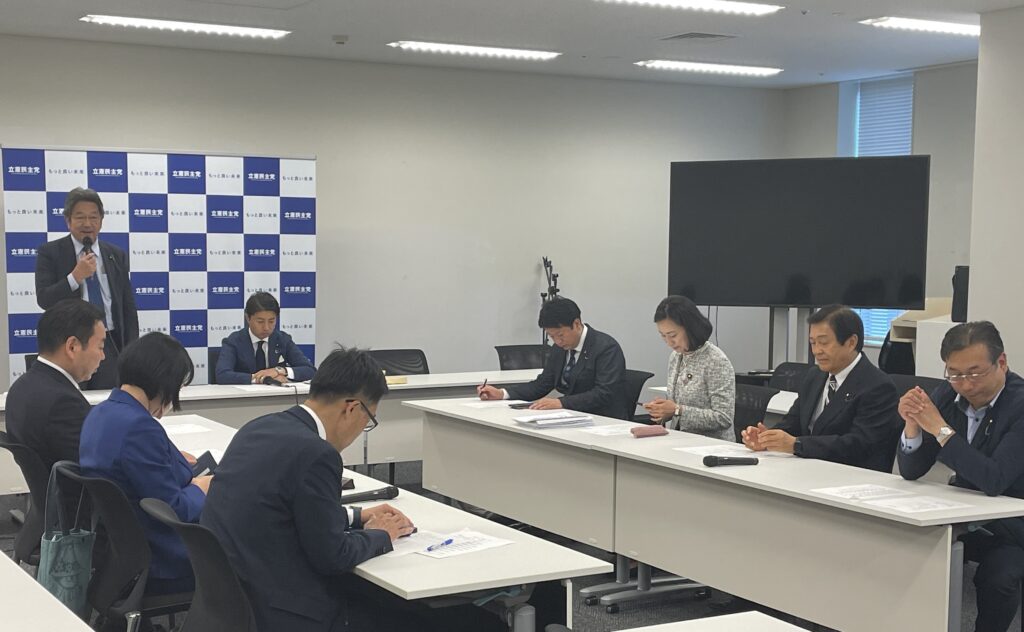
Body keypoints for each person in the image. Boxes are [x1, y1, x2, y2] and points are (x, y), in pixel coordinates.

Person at [202, 347, 437, 631]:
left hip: (235, 604)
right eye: (369, 420)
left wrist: (356, 516)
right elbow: (333, 556)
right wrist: (382, 533)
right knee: (435, 617)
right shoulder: (318, 454)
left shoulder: (258, 427)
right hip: (290, 613)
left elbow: (283, 511)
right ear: (352, 408)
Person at [898, 321, 1024, 632]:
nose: (965, 384)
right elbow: (912, 470)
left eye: (974, 373)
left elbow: (994, 479)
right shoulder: (947, 393)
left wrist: (940, 430)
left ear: (1001, 363)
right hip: (967, 515)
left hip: (1015, 523)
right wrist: (913, 425)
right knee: (904, 547)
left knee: (998, 577)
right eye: (954, 374)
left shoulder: (1019, 405)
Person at [79, 333, 209, 595]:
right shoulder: (140, 427)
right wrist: (201, 488)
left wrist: (171, 458)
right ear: (164, 382)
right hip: (164, 556)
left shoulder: (100, 412)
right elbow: (173, 510)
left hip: (120, 552)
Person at [741, 304, 900, 471]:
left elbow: (858, 444)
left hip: (851, 476)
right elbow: (793, 423)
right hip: (808, 469)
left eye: (824, 343)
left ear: (851, 342)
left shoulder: (878, 386)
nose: (817, 351)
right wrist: (767, 438)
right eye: (813, 343)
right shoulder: (814, 376)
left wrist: (797, 444)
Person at [35, 187, 138, 390]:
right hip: (69, 347)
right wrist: (75, 277)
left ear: (101, 221)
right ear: (68, 221)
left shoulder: (115, 255)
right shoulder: (50, 253)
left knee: (107, 400)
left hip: (108, 344)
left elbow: (127, 306)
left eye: (93, 217)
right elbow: (44, 299)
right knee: (70, 402)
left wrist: (131, 349)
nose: (88, 224)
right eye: (80, 217)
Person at [478, 297, 627, 419]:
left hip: (603, 419)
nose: (557, 341)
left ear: (576, 324)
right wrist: (502, 393)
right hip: (573, 416)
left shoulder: (606, 348)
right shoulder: (559, 349)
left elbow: (604, 393)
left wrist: (561, 403)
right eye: (551, 336)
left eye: (560, 335)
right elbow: (543, 384)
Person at [6, 300, 105, 472]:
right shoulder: (64, 404)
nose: (103, 356)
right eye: (101, 347)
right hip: (73, 489)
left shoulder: (20, 387)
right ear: (72, 347)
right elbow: (98, 469)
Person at [643, 296, 735, 441]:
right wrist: (663, 410)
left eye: (673, 335)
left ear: (691, 328)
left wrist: (677, 410)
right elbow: (676, 408)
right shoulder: (676, 356)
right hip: (679, 439)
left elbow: (723, 418)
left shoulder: (716, 361)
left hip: (710, 445)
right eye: (663, 336)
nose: (669, 342)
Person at [215, 291, 316, 384]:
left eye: (271, 321)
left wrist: (280, 371)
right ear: (248, 318)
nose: (266, 327)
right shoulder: (234, 341)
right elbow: (222, 375)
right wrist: (264, 378)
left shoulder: (282, 339)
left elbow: (310, 370)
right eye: (260, 322)